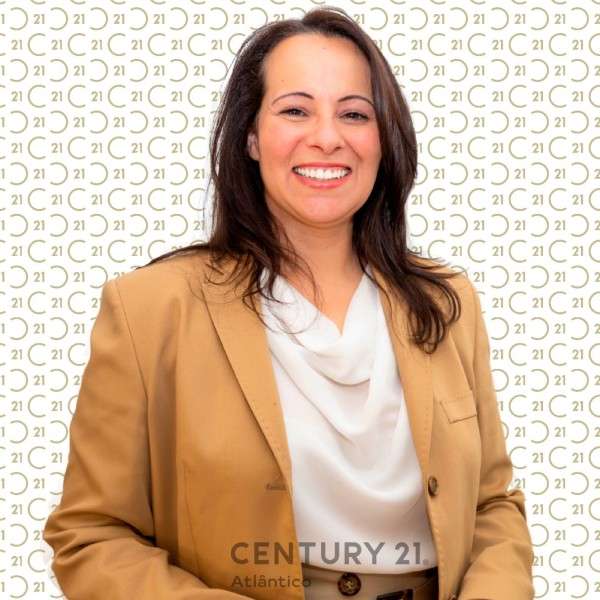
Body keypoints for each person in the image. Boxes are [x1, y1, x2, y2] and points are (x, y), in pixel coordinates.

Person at [43, 6, 534, 600]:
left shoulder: (446, 301)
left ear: (383, 139)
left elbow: (491, 505)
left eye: (354, 114)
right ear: (251, 137)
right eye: (295, 110)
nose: (327, 137)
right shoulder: (150, 310)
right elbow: (92, 535)